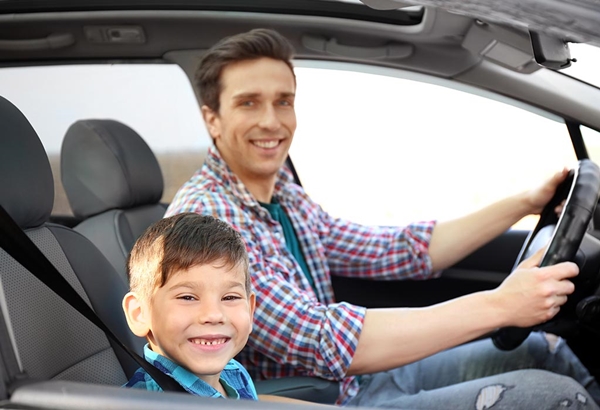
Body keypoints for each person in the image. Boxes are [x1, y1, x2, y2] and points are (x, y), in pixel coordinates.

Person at [164, 28, 600, 409]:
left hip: (354, 383)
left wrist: (525, 201)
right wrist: (502, 304)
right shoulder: (208, 218)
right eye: (248, 103)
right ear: (213, 120)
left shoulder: (284, 196)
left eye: (283, 101)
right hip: (314, 400)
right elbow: (321, 337)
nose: (271, 121)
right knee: (553, 397)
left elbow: (396, 250)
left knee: (550, 350)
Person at [122, 212, 331, 406]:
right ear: (139, 313)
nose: (214, 315)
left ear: (250, 311)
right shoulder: (146, 403)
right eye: (187, 297)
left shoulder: (233, 371)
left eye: (230, 297)